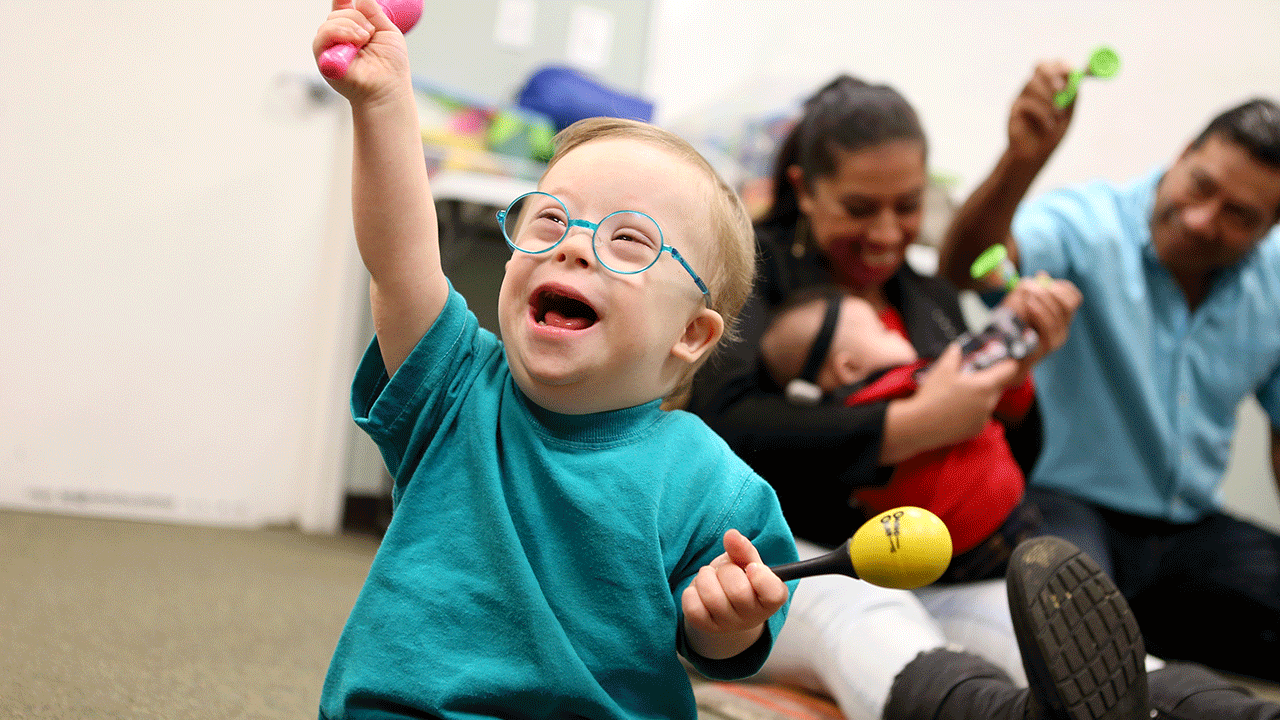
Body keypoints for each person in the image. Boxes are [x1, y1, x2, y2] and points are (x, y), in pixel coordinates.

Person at [689, 72, 1280, 720]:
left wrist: (1015, 383)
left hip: (937, 563)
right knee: (872, 619)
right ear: (804, 189)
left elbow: (1016, 459)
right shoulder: (749, 273)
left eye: (908, 207)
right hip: (798, 555)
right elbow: (724, 421)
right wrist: (911, 423)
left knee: (1071, 630)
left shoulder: (928, 299)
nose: (887, 233)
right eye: (860, 209)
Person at [311, 2, 798, 717]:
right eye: (550, 219)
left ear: (691, 334)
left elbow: (724, 644)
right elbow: (400, 262)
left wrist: (726, 621)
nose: (571, 245)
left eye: (629, 240)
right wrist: (384, 100)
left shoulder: (716, 489)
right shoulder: (453, 388)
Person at [937, 60, 1280, 682]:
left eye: (1240, 216)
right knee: (1065, 610)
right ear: (1181, 153)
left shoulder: (1274, 282)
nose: (1204, 218)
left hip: (1191, 532)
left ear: (1271, 228)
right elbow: (963, 268)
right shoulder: (1085, 228)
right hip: (1063, 505)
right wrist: (1021, 161)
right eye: (1200, 185)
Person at [758, 287, 1042, 583]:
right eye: (882, 331)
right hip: (995, 528)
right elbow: (980, 355)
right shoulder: (902, 386)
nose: (896, 333)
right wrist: (1011, 321)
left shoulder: (843, 437)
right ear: (849, 366)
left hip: (943, 554)